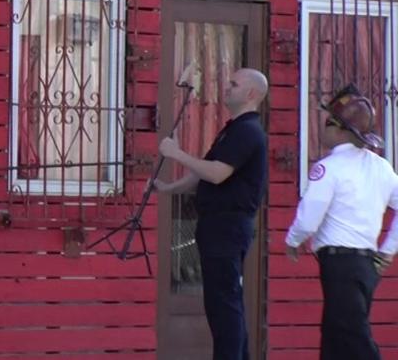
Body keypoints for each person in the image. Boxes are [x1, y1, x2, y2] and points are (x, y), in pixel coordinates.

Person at [154, 67, 269, 360]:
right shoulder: (232, 129)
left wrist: (176, 153)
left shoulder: (248, 131)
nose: (226, 88)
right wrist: (169, 188)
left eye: (234, 84)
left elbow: (218, 174)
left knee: (224, 306)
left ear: (251, 94)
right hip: (217, 227)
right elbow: (202, 173)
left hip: (228, 227)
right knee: (223, 304)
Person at [284, 84, 398, 360]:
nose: (322, 129)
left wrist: (293, 240)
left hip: (340, 262)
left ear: (339, 128)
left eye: (326, 122)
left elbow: (311, 215)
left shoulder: (329, 167)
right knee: (336, 339)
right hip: (367, 262)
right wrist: (387, 250)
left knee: (353, 337)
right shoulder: (381, 167)